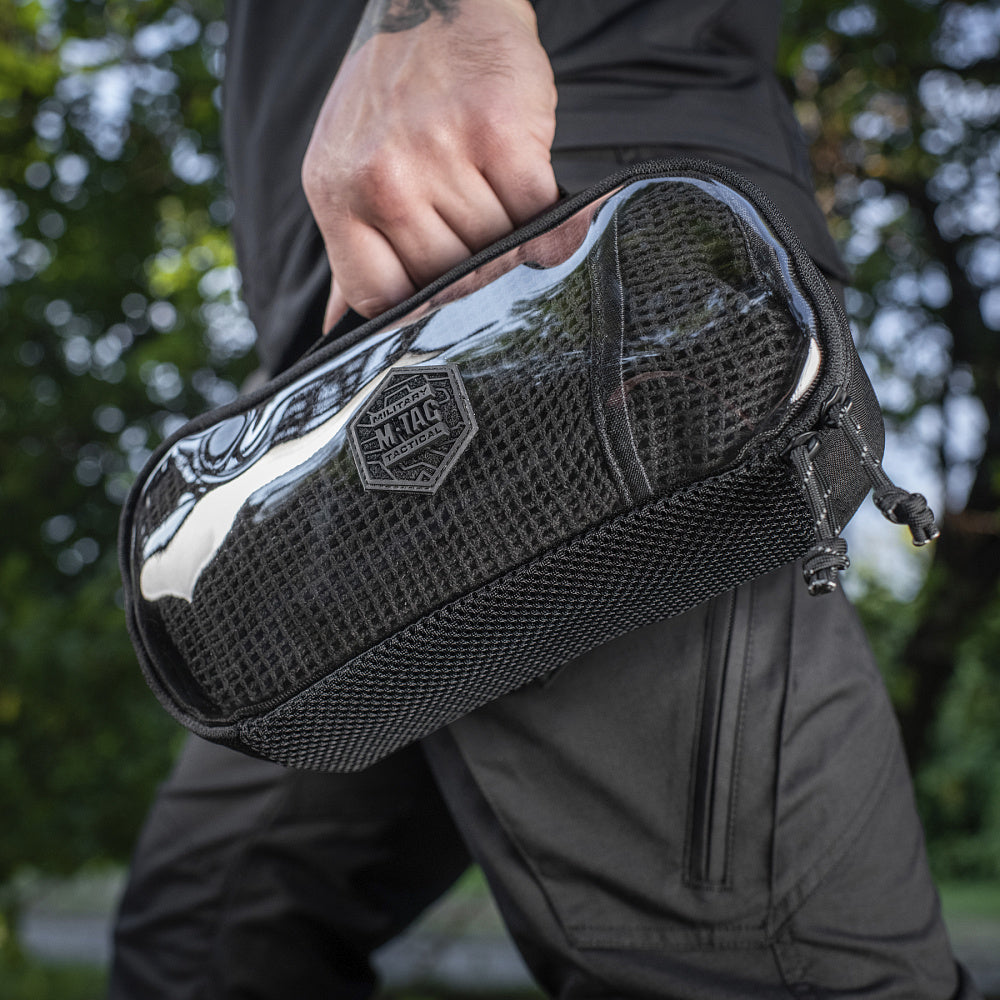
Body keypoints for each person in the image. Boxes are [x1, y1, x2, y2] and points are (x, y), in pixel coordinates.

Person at [110, 2, 981, 997]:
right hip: (356, 377)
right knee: (203, 945)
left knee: (739, 966)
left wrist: (437, 23)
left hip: (557, 251)